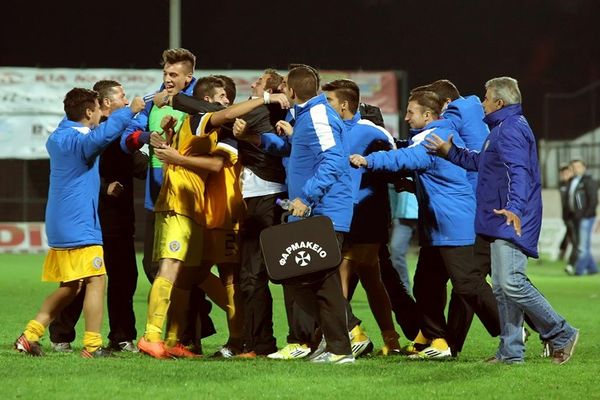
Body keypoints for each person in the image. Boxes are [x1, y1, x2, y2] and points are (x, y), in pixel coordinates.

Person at [424, 76, 579, 364]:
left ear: (499, 102)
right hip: (498, 215)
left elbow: (519, 172)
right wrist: (450, 152)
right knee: (501, 287)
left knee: (511, 282)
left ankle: (561, 332)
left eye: (485, 98)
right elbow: (482, 164)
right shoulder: (500, 129)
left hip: (509, 215)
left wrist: (515, 208)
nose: (482, 103)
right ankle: (510, 352)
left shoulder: (509, 130)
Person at [137, 76, 290, 359]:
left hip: (218, 210)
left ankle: (231, 338)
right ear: (207, 100)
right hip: (195, 206)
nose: (228, 102)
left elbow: (214, 161)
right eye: (222, 96)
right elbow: (208, 155)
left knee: (209, 273)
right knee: (189, 272)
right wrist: (171, 143)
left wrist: (173, 150)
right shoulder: (201, 121)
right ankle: (165, 338)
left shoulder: (224, 130)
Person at [350, 90, 500, 359]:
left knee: (467, 285)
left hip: (453, 224)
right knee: (425, 285)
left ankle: (511, 329)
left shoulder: (434, 137)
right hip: (439, 226)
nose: (406, 117)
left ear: (428, 115)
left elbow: (407, 159)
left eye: (411, 112)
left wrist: (368, 160)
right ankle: (438, 340)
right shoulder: (433, 133)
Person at [14, 88, 144, 358]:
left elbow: (88, 136)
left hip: (60, 223)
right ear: (88, 112)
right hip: (79, 224)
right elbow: (101, 136)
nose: (100, 115)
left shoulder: (59, 136)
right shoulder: (80, 142)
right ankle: (93, 346)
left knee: (71, 286)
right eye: (97, 110)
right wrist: (129, 111)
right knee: (97, 279)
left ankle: (30, 335)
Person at [259, 65, 355, 363]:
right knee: (301, 278)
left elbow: (333, 160)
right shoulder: (306, 116)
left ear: (291, 90)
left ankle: (341, 348)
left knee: (322, 281)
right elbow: (304, 153)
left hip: (323, 210)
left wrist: (307, 196)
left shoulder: (316, 115)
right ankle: (334, 339)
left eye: (283, 85)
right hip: (313, 209)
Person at [321, 79, 401, 356]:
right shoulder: (331, 130)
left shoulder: (370, 131)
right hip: (344, 213)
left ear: (344, 104)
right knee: (371, 278)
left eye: (329, 100)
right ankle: (390, 341)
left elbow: (393, 165)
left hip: (366, 214)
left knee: (339, 272)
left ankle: (349, 336)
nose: (324, 105)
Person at [567, 159, 598, 276]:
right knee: (582, 244)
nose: (576, 169)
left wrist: (586, 214)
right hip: (575, 217)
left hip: (586, 217)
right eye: (573, 167)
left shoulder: (589, 181)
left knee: (582, 246)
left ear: (584, 167)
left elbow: (593, 200)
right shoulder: (572, 181)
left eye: (578, 166)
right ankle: (593, 269)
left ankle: (579, 270)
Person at [558, 164, 577, 269]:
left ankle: (571, 261)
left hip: (574, 216)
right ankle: (563, 254)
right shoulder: (562, 185)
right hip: (566, 217)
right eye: (563, 173)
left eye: (567, 173)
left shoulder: (573, 183)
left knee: (573, 238)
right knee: (570, 236)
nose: (565, 175)